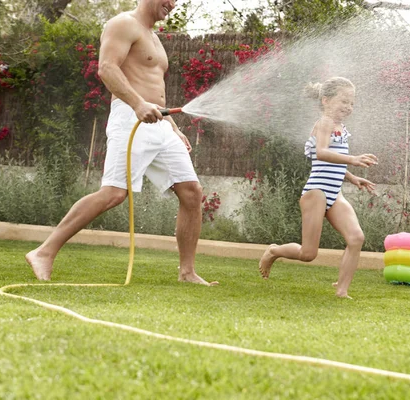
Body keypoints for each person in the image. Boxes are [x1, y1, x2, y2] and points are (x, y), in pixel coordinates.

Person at [26, 0, 218, 286]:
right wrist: (138, 104)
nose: (173, 4)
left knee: (192, 192)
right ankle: (44, 251)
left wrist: (173, 127)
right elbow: (107, 68)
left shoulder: (153, 37)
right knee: (114, 194)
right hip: (131, 117)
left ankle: (187, 272)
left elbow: (155, 91)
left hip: (159, 123)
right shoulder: (123, 24)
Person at [258, 77, 377, 298]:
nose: (348, 107)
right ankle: (274, 250)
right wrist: (352, 159)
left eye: (352, 103)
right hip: (317, 192)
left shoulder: (342, 127)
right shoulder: (324, 123)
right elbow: (321, 152)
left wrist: (352, 178)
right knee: (308, 253)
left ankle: (342, 291)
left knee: (356, 238)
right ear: (325, 101)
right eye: (343, 101)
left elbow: (330, 162)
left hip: (334, 193)